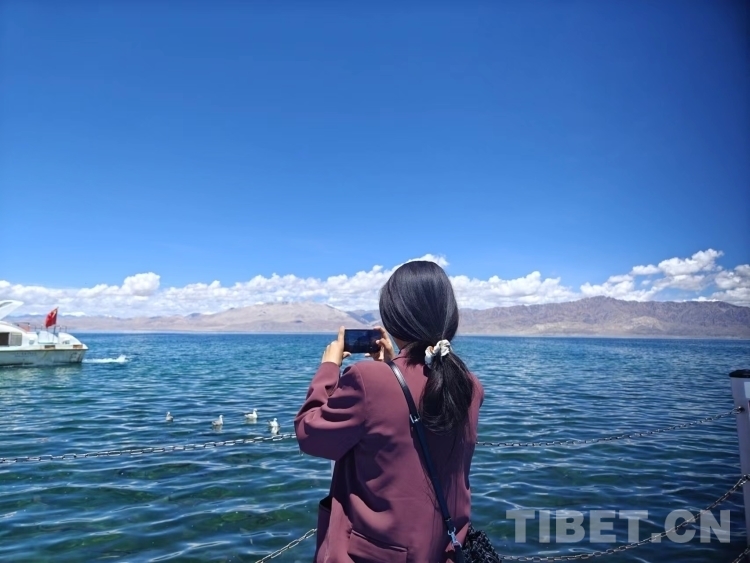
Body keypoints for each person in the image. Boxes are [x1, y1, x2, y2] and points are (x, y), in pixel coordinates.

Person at [295, 260, 484, 562]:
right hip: (445, 552)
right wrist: (391, 367)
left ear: (394, 317)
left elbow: (311, 435)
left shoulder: (367, 379)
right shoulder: (470, 386)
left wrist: (328, 368)